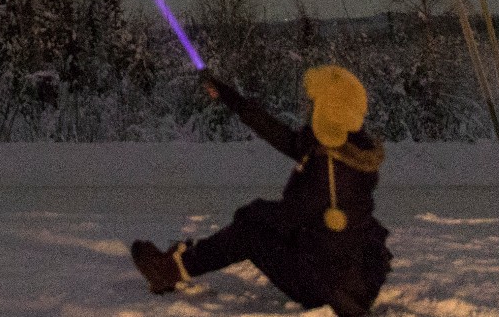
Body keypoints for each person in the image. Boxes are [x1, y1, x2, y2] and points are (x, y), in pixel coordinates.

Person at [131, 65, 391, 314]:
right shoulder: (347, 148)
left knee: (249, 233)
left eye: (314, 103)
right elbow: (276, 133)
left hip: (331, 287)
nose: (307, 108)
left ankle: (168, 270)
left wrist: (250, 213)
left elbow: (286, 219)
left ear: (329, 109)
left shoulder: (332, 169)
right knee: (253, 224)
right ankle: (177, 265)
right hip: (351, 277)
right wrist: (228, 95)